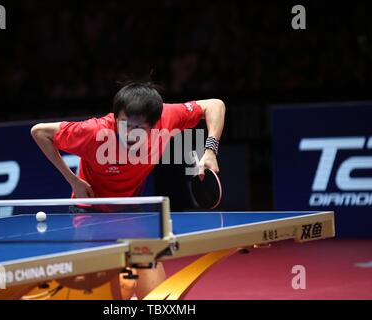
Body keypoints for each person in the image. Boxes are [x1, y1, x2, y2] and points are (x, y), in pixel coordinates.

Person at [31, 81, 226, 299]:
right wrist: (72, 180)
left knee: (156, 296)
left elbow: (215, 104)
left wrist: (210, 151)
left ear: (153, 125)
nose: (130, 133)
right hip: (88, 211)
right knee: (94, 292)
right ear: (116, 117)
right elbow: (39, 132)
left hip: (128, 209)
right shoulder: (94, 131)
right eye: (124, 124)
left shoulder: (167, 118)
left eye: (139, 128)